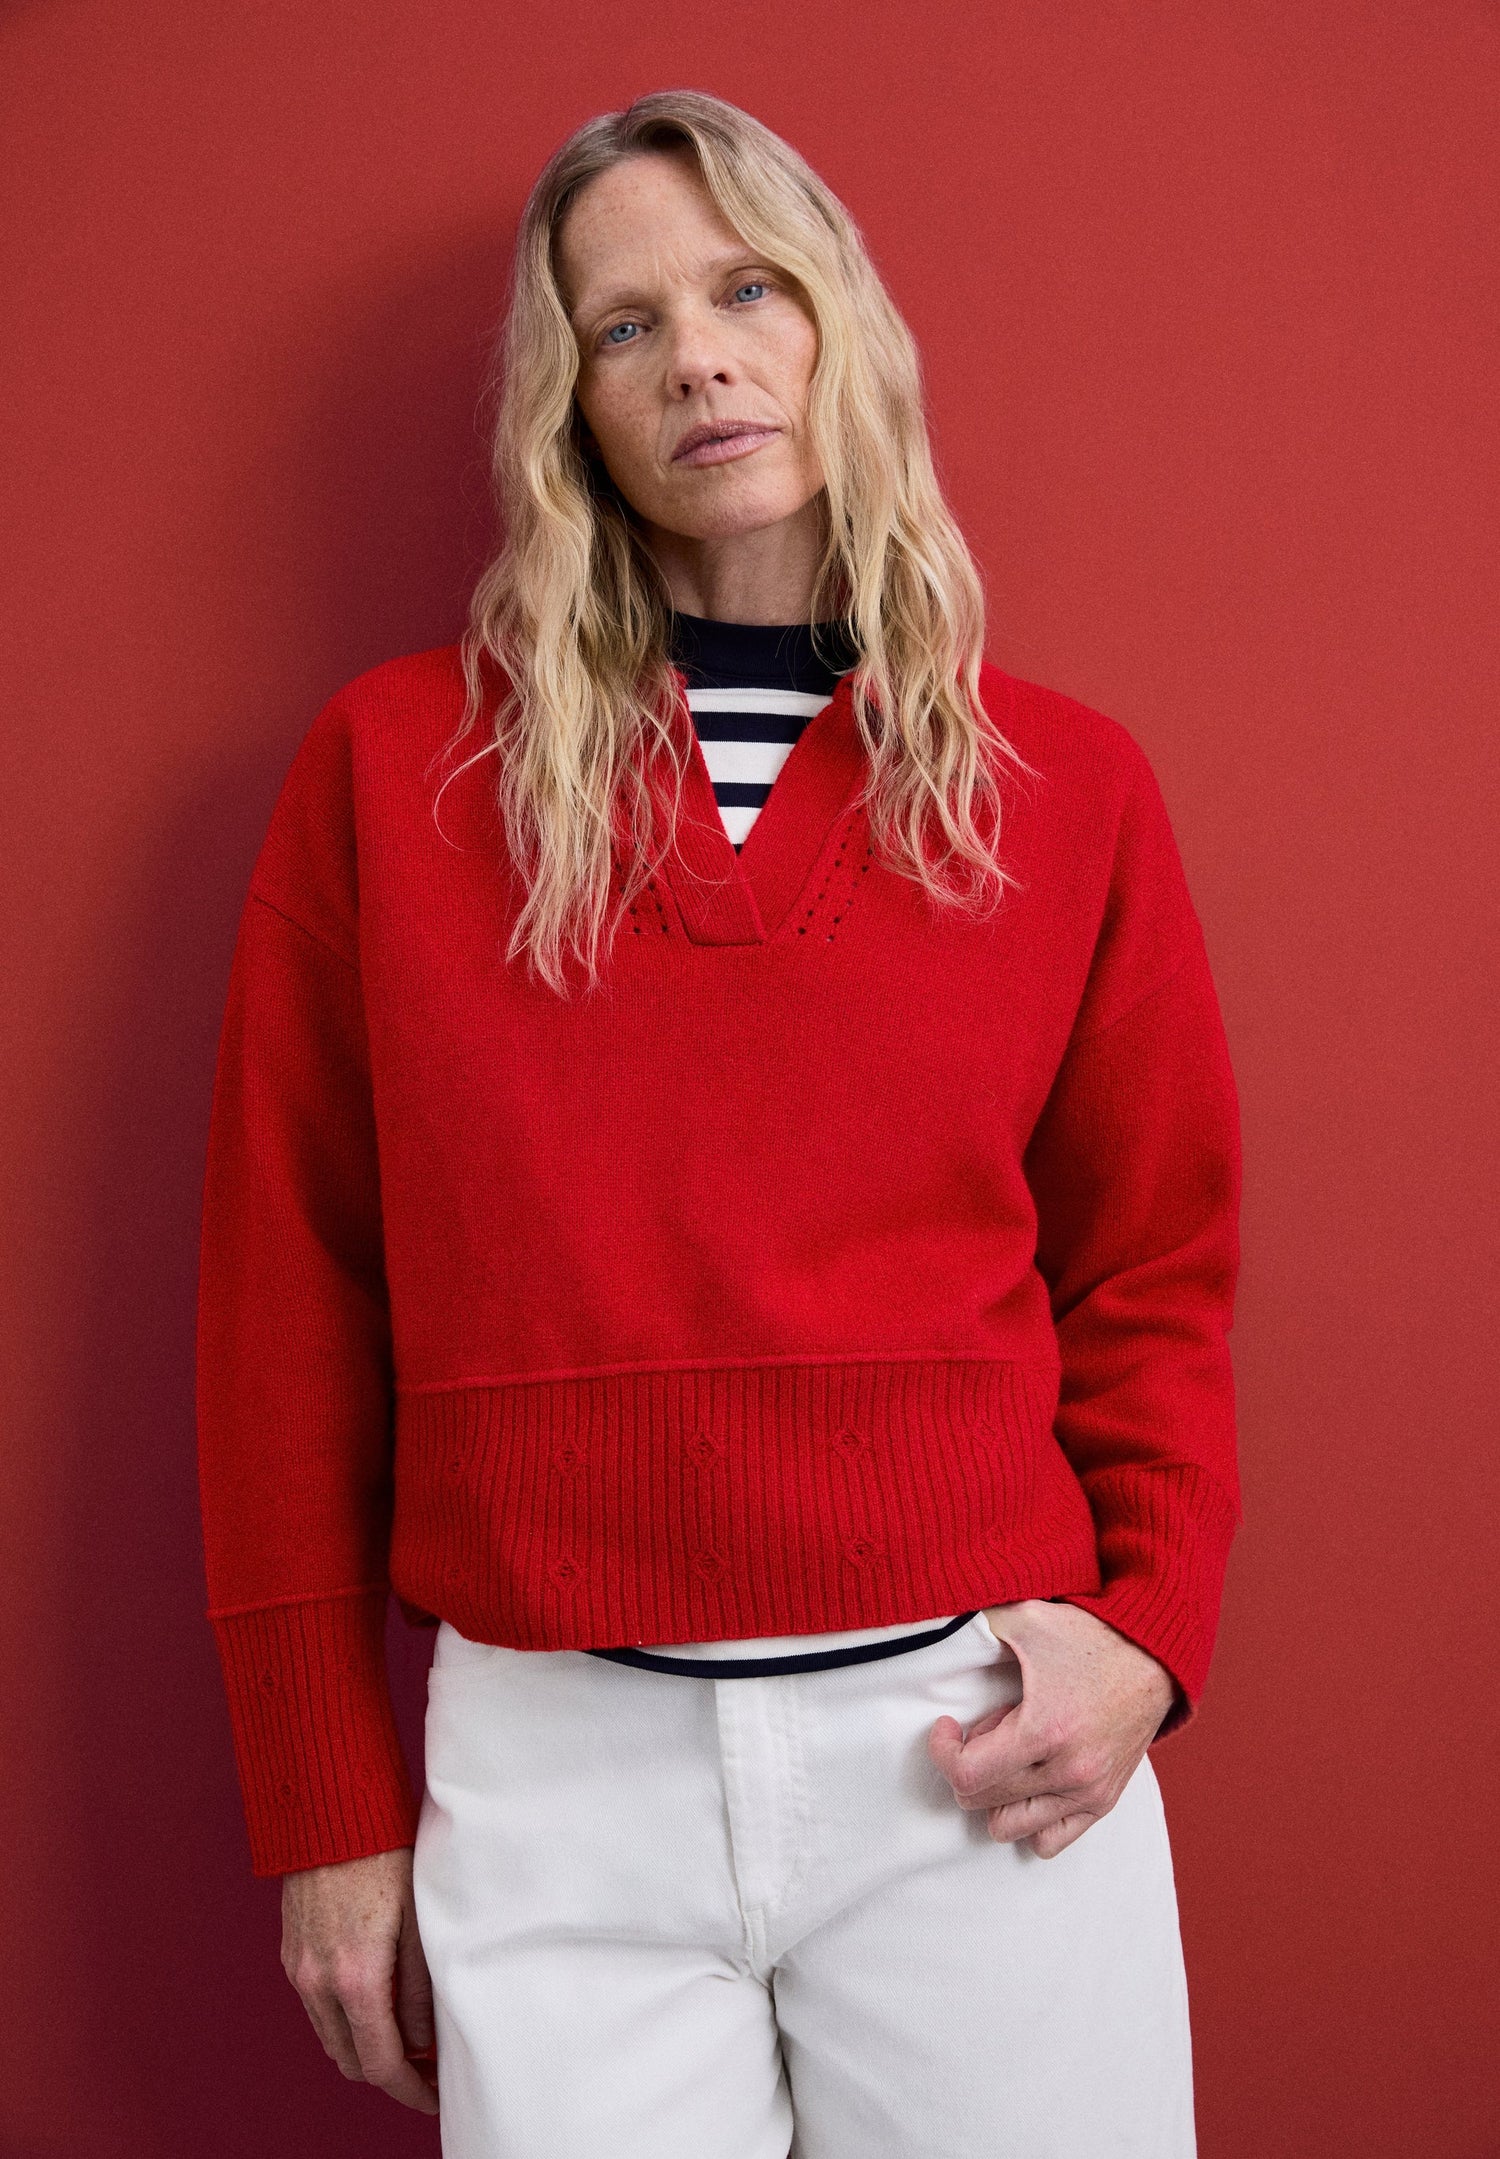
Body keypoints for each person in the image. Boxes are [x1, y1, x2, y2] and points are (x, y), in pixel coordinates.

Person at [196, 88, 1242, 2159]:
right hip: (553, 1770)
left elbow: (1158, 1267)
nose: (698, 356)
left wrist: (1148, 1634)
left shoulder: (1066, 791)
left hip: (974, 1750)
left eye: (748, 288)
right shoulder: (395, 776)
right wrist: (325, 1811)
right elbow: (282, 1313)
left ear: (841, 324)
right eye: (625, 323)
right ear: (571, 405)